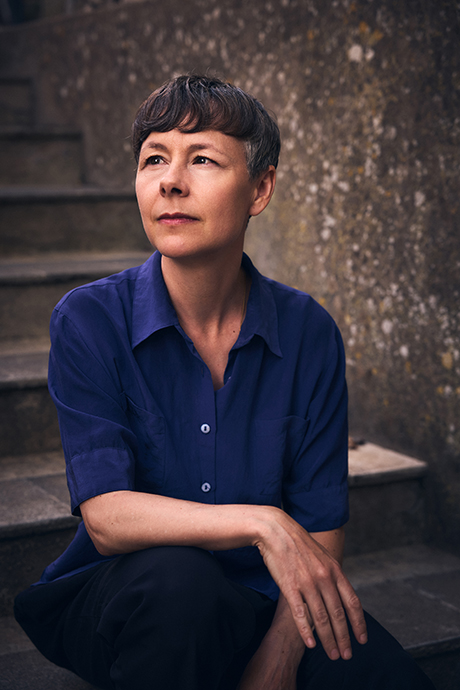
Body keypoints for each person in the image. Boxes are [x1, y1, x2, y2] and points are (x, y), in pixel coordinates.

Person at [14, 75, 434, 690]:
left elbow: (320, 522)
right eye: (154, 159)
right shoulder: (89, 320)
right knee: (181, 587)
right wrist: (264, 522)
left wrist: (280, 657)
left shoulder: (309, 331)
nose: (170, 181)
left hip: (265, 597)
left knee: (381, 676)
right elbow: (106, 516)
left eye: (202, 159)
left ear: (260, 188)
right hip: (128, 598)